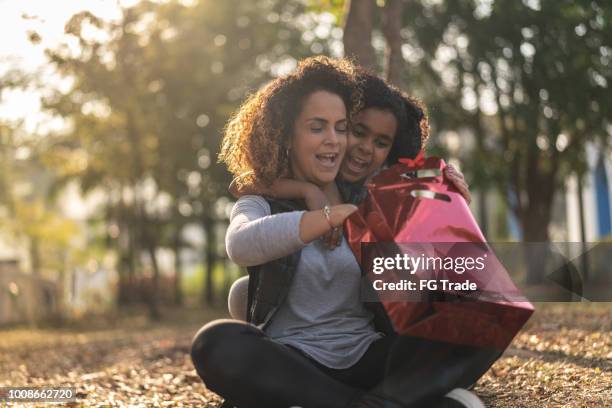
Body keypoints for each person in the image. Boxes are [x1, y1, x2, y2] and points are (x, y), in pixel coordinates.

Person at [191, 57, 497, 408]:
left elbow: (432, 281)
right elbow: (241, 242)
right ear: (286, 134)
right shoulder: (264, 201)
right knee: (215, 343)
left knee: (485, 307)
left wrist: (444, 194)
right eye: (318, 127)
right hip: (295, 361)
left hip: (369, 355)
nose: (335, 141)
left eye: (340, 128)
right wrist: (320, 211)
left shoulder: (374, 198)